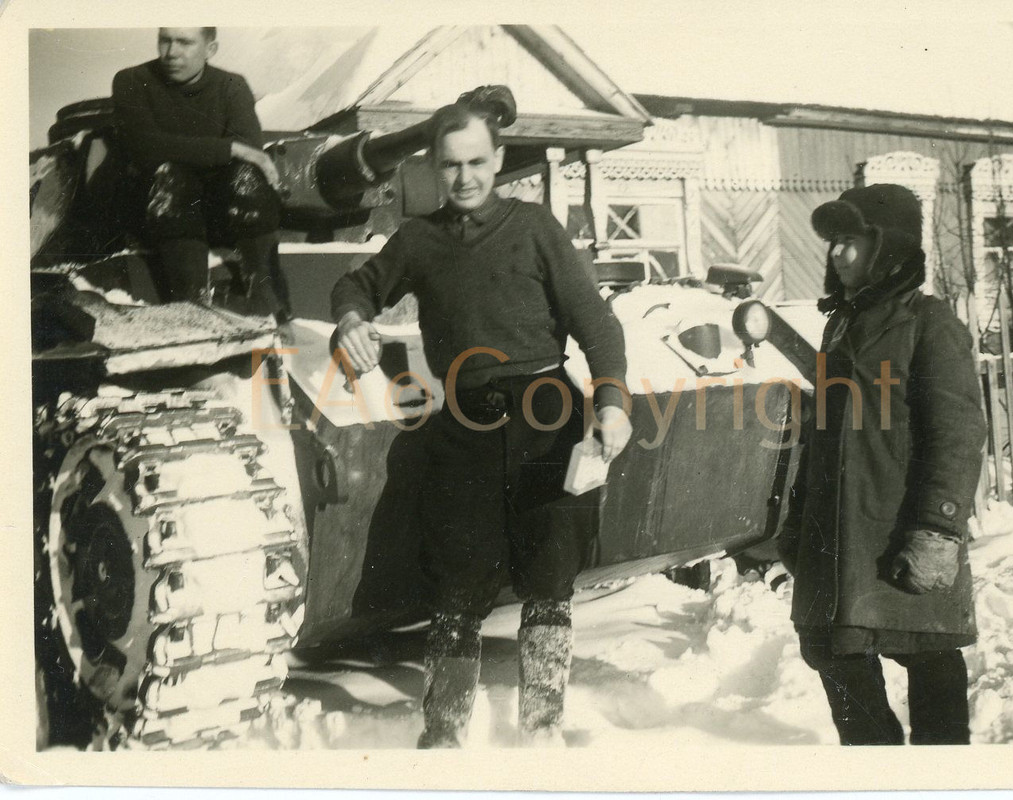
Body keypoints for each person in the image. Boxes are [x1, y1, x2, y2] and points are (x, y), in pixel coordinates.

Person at [330, 99, 633, 748]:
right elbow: (357, 285)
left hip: (546, 415)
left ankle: (541, 732)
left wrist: (611, 400)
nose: (464, 177)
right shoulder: (418, 239)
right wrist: (352, 320)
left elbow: (596, 323)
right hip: (464, 426)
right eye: (450, 165)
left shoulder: (533, 228)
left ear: (497, 160)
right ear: (434, 169)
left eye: (476, 162)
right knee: (456, 587)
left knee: (550, 580)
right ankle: (442, 737)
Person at [776, 183, 987, 745]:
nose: (837, 255)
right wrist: (798, 524)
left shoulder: (930, 323)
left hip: (898, 530)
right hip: (837, 540)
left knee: (930, 661)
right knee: (837, 662)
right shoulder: (839, 326)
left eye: (851, 241)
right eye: (834, 243)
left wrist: (940, 526)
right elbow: (822, 438)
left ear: (888, 247)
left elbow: (959, 432)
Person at [111, 27, 289, 320]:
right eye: (165, 40)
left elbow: (250, 154)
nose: (171, 52)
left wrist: (231, 151)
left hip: (222, 214)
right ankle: (194, 307)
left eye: (184, 42)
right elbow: (143, 148)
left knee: (246, 177)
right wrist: (228, 149)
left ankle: (267, 304)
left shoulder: (231, 86)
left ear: (211, 49)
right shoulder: (132, 81)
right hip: (160, 214)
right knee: (173, 176)